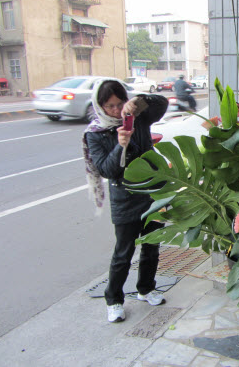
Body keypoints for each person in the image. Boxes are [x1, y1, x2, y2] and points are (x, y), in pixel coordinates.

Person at [82, 78, 168, 323]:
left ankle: (146, 288)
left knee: (151, 247)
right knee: (123, 252)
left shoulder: (138, 116)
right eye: (110, 106)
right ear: (100, 106)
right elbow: (107, 171)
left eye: (120, 103)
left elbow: (161, 105)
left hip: (153, 192)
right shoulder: (95, 133)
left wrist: (139, 101)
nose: (117, 110)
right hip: (125, 198)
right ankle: (114, 300)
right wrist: (121, 145)